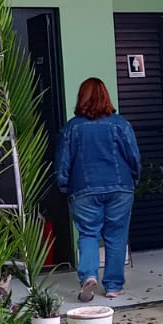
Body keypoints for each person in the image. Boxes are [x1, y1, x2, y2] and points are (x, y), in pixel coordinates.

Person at [55, 77, 141, 302]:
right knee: (116, 236)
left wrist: (64, 185)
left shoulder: (72, 127)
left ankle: (89, 276)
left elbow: (63, 162)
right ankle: (113, 286)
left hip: (83, 188)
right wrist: (134, 178)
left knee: (88, 234)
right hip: (120, 187)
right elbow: (133, 156)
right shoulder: (120, 124)